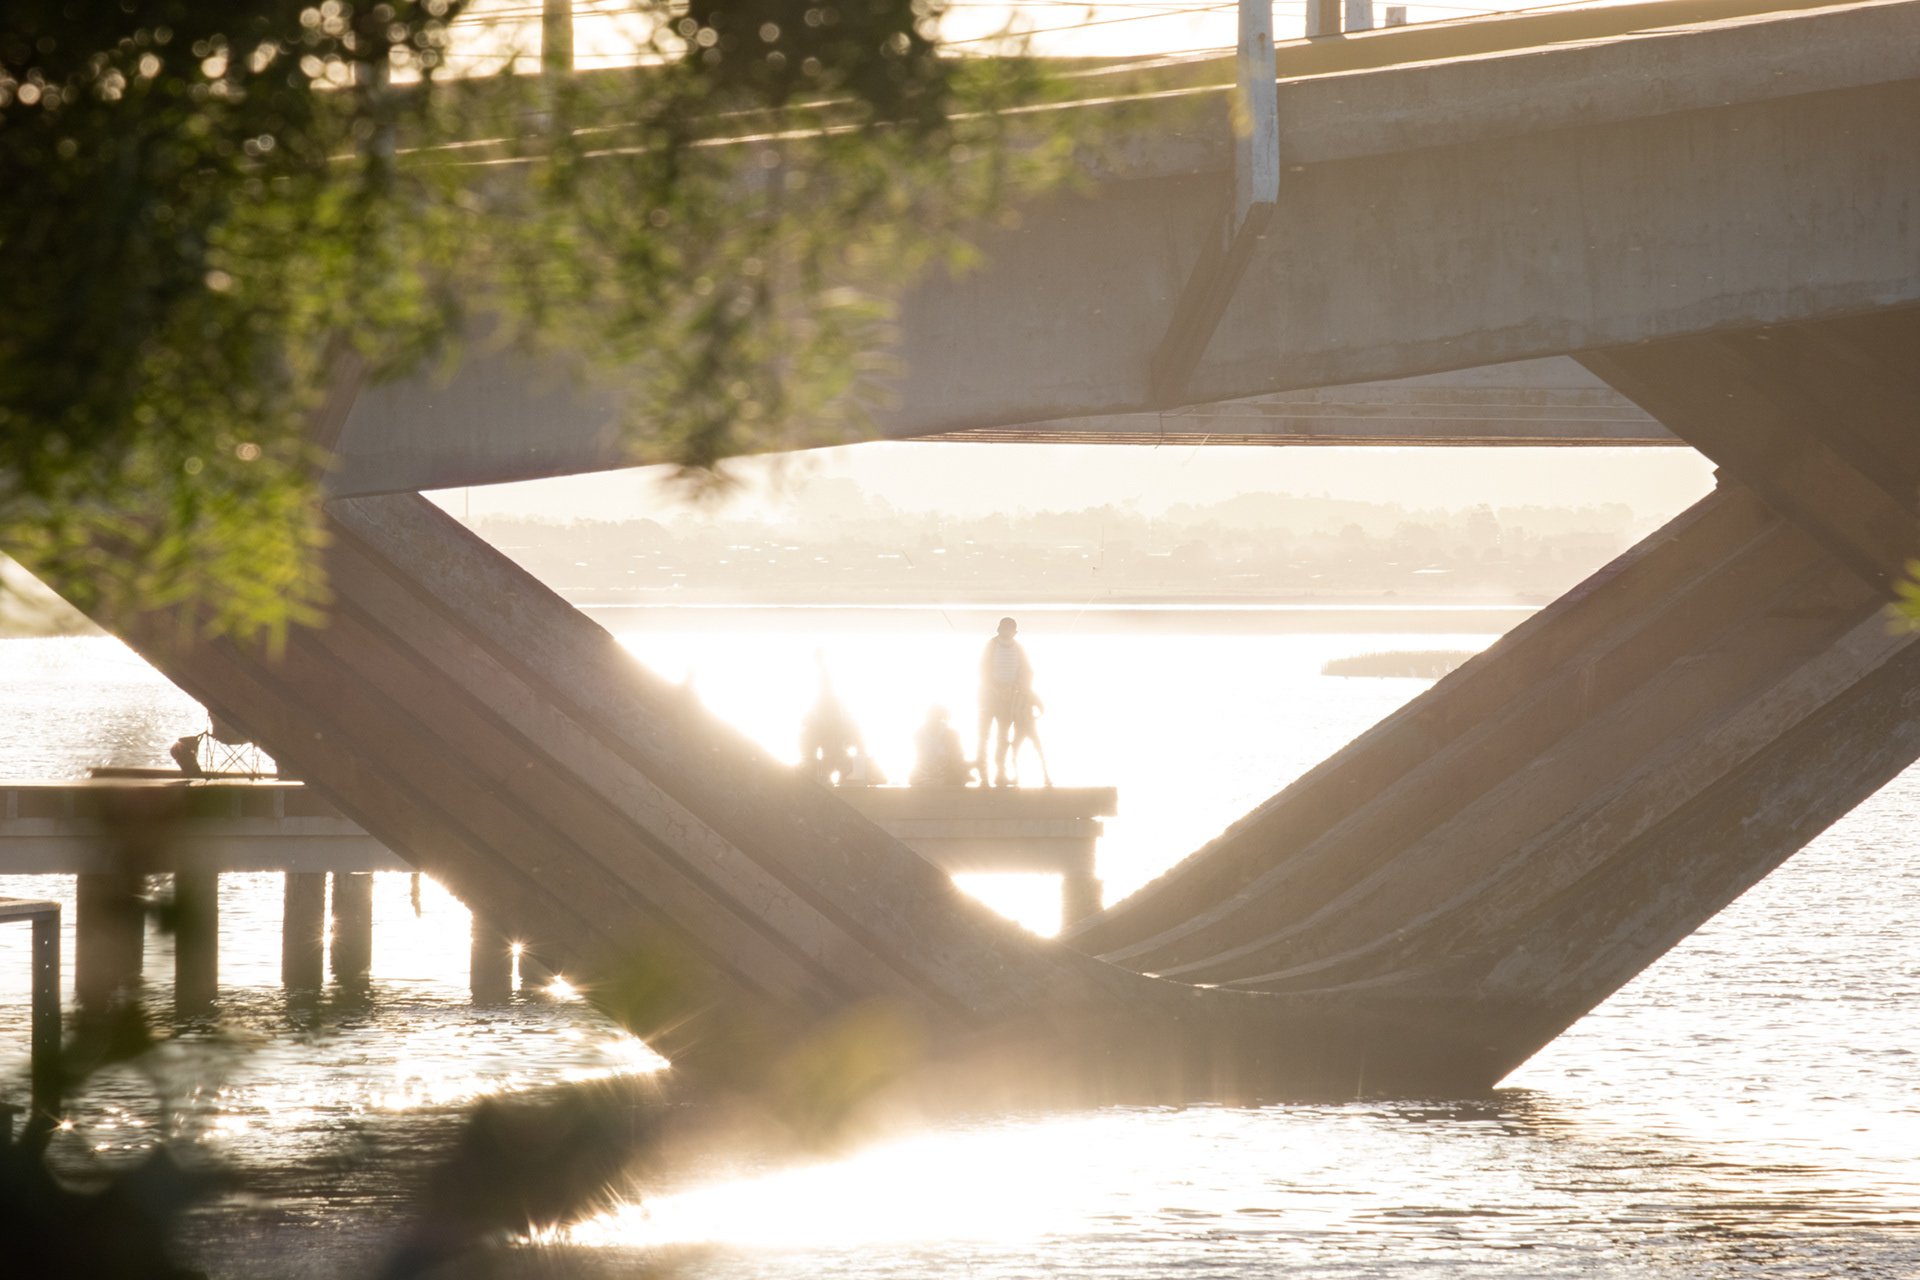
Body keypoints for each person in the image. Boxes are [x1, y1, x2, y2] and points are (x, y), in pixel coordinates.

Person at [976, 616, 1053, 787]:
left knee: (1003, 738)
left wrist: (1020, 689)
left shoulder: (1018, 649)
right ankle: (983, 777)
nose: (1006, 634)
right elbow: (982, 670)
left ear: (1015, 633)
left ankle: (1000, 775)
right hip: (988, 700)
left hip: (1008, 700)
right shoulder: (990, 646)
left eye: (1009, 631)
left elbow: (1028, 672)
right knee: (984, 738)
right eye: (1003, 630)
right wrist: (991, 687)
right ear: (998, 630)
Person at [910, 705, 974, 787]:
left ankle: (962, 772)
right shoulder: (919, 733)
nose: (938, 720)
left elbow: (951, 752)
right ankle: (962, 773)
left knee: (953, 735)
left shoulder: (945, 730)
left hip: (939, 772)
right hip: (927, 775)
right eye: (935, 716)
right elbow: (927, 758)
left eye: (939, 717)